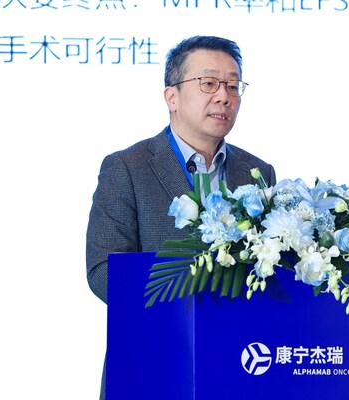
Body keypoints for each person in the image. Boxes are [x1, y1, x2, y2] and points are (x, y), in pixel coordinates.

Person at [85, 35, 277, 399]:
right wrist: (192, 292)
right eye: (208, 83)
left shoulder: (258, 172)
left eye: (233, 86)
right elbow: (102, 271)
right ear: (171, 97)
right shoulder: (127, 167)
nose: (224, 97)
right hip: (151, 362)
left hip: (239, 365)